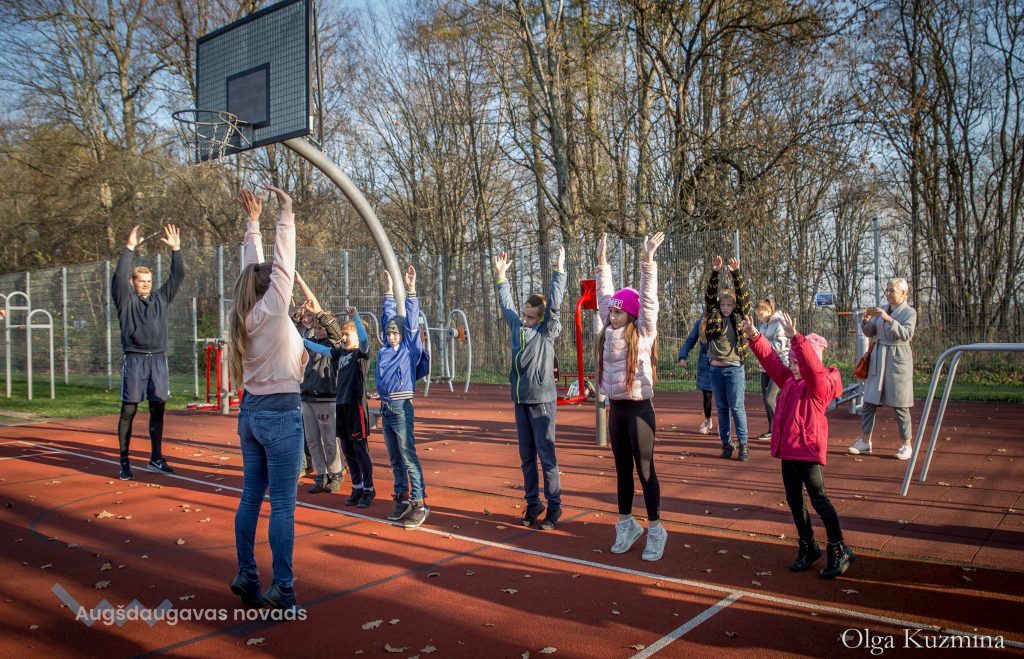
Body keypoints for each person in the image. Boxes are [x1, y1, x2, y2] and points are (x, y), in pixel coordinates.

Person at [228, 185, 306, 611]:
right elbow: (282, 265)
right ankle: (284, 588)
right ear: (271, 287)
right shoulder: (274, 310)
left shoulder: (246, 311)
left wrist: (253, 224)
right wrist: (285, 215)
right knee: (283, 508)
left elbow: (252, 271)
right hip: (279, 415)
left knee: (250, 498)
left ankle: (247, 572)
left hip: (251, 413)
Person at [742, 312, 854, 579]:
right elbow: (771, 361)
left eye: (796, 361)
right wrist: (754, 335)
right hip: (789, 451)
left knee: (819, 499)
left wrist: (796, 339)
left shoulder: (819, 385)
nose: (792, 365)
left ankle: (838, 548)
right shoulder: (790, 380)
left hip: (808, 451)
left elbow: (812, 368)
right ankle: (808, 545)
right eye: (791, 361)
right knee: (794, 501)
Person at [596, 231, 668, 561]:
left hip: (639, 410)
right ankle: (626, 524)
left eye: (618, 312)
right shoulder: (608, 329)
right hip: (617, 410)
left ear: (631, 315)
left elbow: (648, 301)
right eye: (611, 312)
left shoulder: (643, 331)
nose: (612, 316)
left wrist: (648, 260)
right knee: (622, 471)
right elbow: (604, 296)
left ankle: (656, 529)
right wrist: (601, 262)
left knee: (645, 470)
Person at [494, 245, 567, 530]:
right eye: (524, 315)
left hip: (542, 401)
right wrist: (501, 277)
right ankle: (533, 502)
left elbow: (555, 305)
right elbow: (506, 306)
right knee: (526, 457)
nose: (524, 320)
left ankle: (554, 507)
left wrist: (559, 271)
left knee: (546, 456)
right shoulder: (517, 327)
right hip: (521, 401)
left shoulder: (546, 331)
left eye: (530, 317)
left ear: (540, 318)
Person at [111, 223, 185, 481]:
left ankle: (156, 458)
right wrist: (129, 247)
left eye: (149, 281)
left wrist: (176, 249)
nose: (145, 285)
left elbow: (177, 276)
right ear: (133, 283)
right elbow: (118, 277)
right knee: (129, 410)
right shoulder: (126, 300)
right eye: (141, 281)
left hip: (159, 360)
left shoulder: (160, 299)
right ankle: (124, 461)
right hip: (135, 360)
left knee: (158, 409)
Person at [302, 308, 377, 508]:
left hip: (355, 407)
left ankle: (369, 489)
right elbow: (323, 350)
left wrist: (356, 318)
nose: (343, 338)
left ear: (356, 336)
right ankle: (357, 487)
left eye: (347, 334)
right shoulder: (341, 353)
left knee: (360, 451)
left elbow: (364, 339)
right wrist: (302, 341)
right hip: (341, 406)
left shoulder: (361, 354)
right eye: (342, 334)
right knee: (347, 451)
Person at [377, 265, 429, 529]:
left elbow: (410, 324)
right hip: (386, 407)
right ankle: (401, 499)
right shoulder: (385, 350)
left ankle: (419, 503)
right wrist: (388, 292)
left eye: (395, 333)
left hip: (401, 407)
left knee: (408, 455)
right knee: (395, 458)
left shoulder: (408, 350)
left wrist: (411, 291)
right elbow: (388, 318)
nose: (392, 336)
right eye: (389, 333)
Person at [848, 278, 917, 460]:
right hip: (878, 359)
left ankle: (906, 444)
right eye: (887, 290)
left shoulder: (910, 312)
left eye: (892, 290)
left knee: (900, 403)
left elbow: (907, 334)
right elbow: (869, 332)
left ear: (904, 293)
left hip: (898, 360)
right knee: (869, 401)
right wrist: (866, 321)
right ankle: (865, 441)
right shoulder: (883, 309)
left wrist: (888, 319)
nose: (888, 293)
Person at [294, 273, 346, 494]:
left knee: (329, 439)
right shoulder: (307, 341)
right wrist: (298, 310)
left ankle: (336, 473)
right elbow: (294, 325)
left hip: (326, 397)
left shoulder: (334, 345)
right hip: (307, 397)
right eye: (316, 327)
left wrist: (302, 283)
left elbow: (332, 327)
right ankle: (320, 474)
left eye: (322, 327)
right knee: (312, 440)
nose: (319, 330)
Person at [705, 255, 752, 461]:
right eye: (723, 304)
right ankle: (726, 444)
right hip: (716, 369)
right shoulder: (714, 314)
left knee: (737, 408)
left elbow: (743, 299)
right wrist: (715, 272)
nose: (725, 307)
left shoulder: (737, 316)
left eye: (729, 305)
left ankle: (743, 445)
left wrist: (736, 273)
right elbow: (710, 297)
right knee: (722, 409)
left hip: (734, 369)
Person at [754, 298, 790, 441]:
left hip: (779, 365)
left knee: (770, 398)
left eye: (761, 314)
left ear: (769, 311)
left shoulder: (780, 323)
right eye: (757, 315)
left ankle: (780, 431)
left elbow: (778, 346)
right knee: (765, 399)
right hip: (765, 366)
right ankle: (772, 429)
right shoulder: (763, 325)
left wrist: (760, 346)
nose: (759, 318)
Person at [292, 300, 317, 477]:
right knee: (300, 425)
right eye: (305, 316)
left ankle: (335, 466)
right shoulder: (295, 331)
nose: (307, 319)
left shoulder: (317, 333)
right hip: (299, 382)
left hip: (315, 383)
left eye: (310, 316)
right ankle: (303, 465)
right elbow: (289, 320)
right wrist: (297, 309)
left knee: (316, 430)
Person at [678, 314, 714, 435]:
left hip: (722, 362)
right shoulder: (701, 322)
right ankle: (708, 420)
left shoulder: (725, 320)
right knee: (707, 395)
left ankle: (724, 424)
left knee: (723, 396)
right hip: (706, 363)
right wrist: (683, 356)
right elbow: (690, 340)